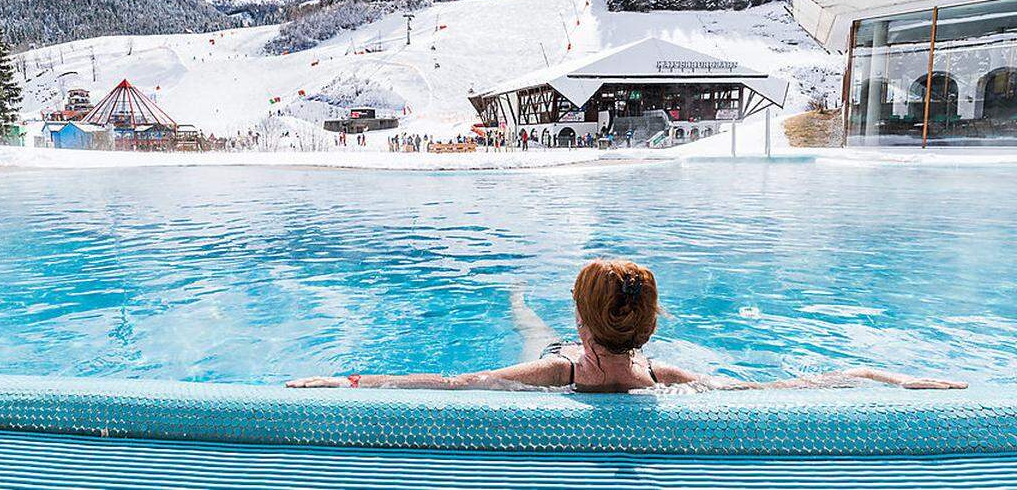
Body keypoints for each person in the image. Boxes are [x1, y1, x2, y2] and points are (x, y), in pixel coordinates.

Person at [287, 259, 966, 393]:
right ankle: (521, 298)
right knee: (533, 326)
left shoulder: (556, 369)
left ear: (585, 325)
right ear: (645, 326)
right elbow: (783, 386)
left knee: (529, 328)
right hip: (610, 354)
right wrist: (884, 374)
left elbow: (450, 381)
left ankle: (517, 296)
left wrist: (348, 379)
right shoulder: (665, 375)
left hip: (556, 356)